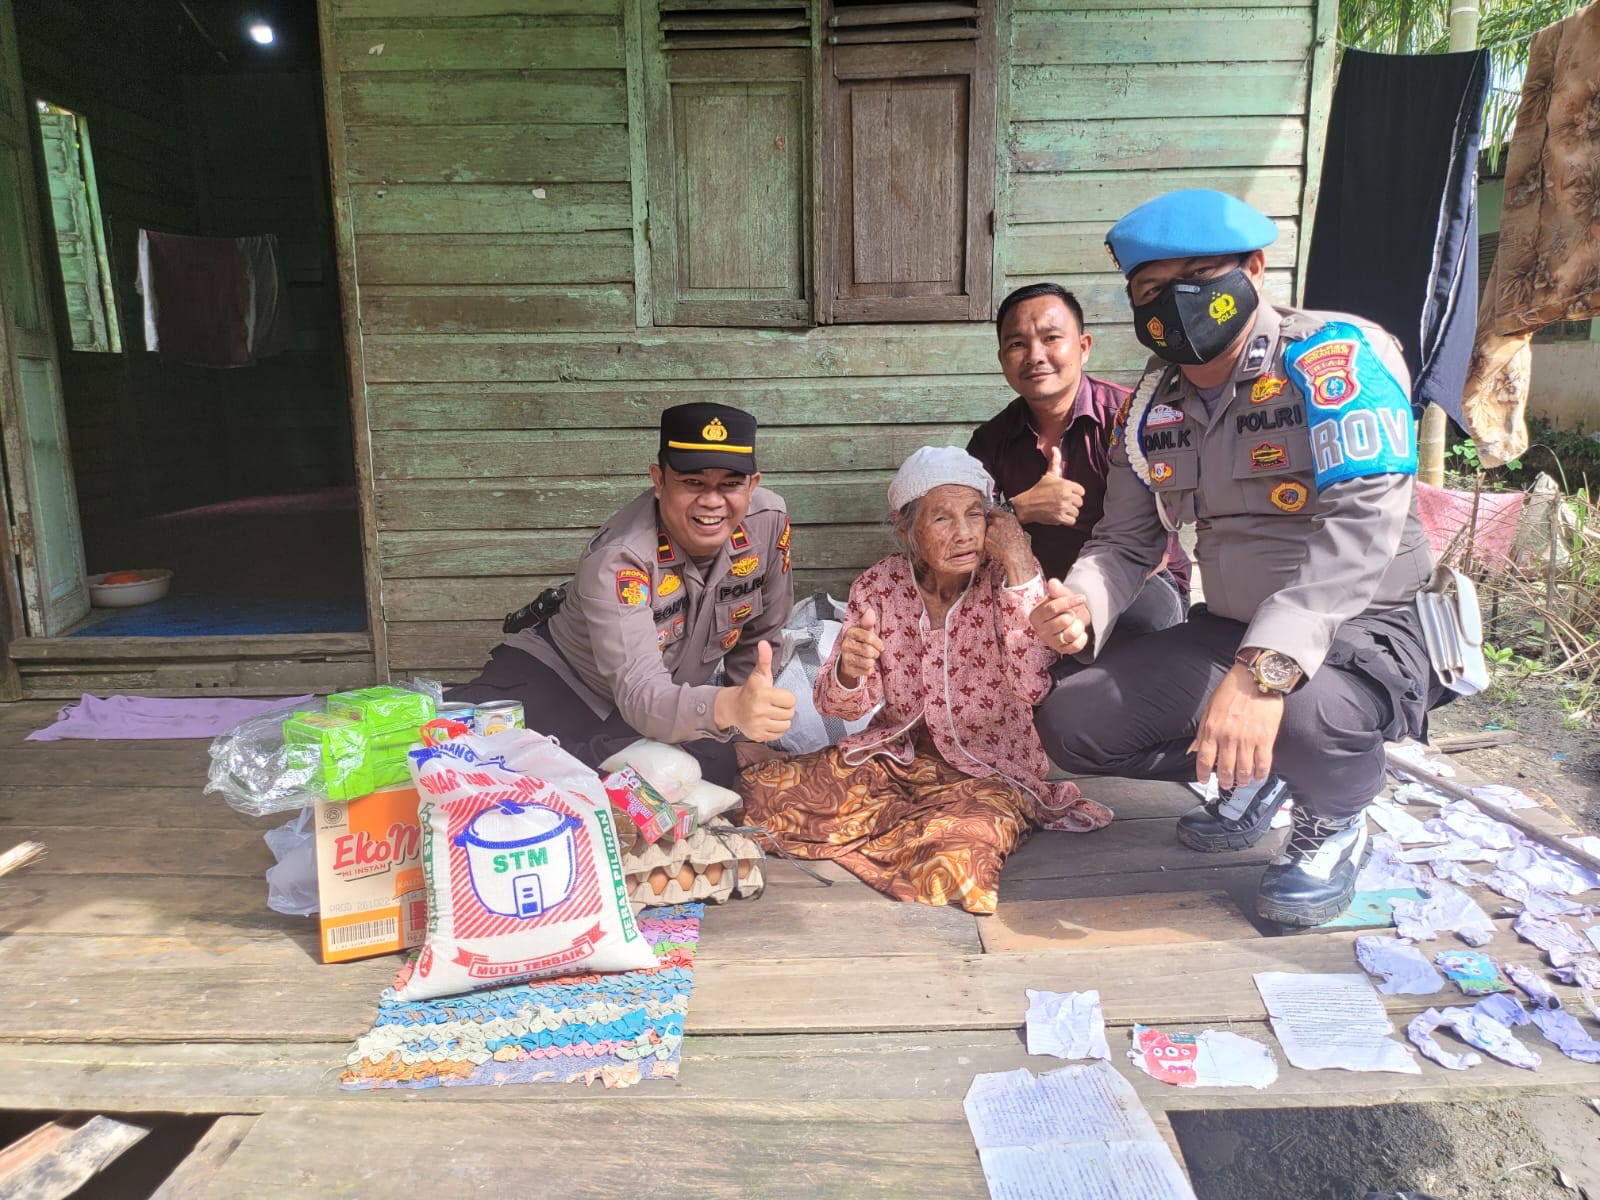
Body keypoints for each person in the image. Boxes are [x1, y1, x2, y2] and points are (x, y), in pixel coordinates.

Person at [1028, 189, 1444, 927]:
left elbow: (1361, 525)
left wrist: (1263, 671)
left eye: (1198, 277)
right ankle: (1260, 774)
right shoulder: (1149, 409)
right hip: (1229, 625)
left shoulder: (1337, 358)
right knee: (1073, 716)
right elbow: (1125, 542)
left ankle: (1338, 820)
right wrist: (1080, 606)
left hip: (1366, 626)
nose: (1175, 303)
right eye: (1152, 290)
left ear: (1254, 269)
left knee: (1302, 713)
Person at [739, 447, 1112, 916]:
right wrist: (849, 670)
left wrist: (1020, 564)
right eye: (942, 519)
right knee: (759, 795)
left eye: (975, 515)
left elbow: (1033, 686)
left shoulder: (1008, 580)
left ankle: (915, 828)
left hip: (988, 772)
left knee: (958, 861)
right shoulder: (877, 587)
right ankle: (908, 825)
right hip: (895, 761)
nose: (964, 534)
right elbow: (845, 709)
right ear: (905, 529)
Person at [448, 403, 796, 786]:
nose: (712, 501)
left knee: (702, 771)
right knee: (512, 767)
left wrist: (746, 724)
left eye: (730, 483)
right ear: (659, 481)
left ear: (753, 485)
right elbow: (641, 694)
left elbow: (760, 641)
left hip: (651, 701)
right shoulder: (620, 557)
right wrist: (729, 708)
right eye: (693, 482)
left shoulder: (769, 524)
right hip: (562, 679)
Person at [967, 283, 1190, 645]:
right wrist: (1018, 508)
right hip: (1044, 590)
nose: (1035, 355)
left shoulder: (1132, 420)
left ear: (1083, 347)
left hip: (1142, 582)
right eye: (1017, 344)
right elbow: (963, 535)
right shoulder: (991, 441)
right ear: (1002, 359)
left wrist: (1080, 604)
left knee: (1131, 643)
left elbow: (1152, 545)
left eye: (1051, 338)